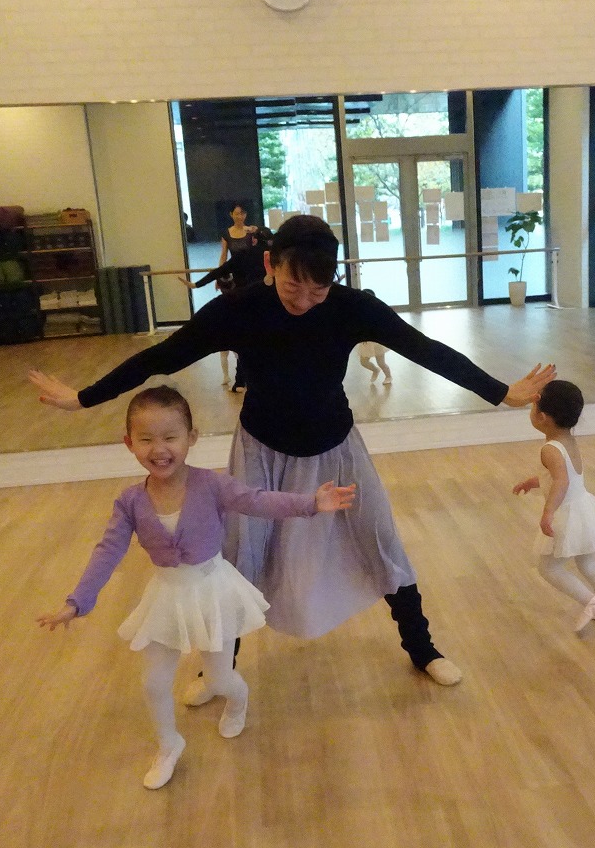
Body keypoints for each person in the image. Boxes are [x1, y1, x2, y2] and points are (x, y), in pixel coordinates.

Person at [29, 213, 555, 690]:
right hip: (261, 450)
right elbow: (161, 356)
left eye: (317, 290)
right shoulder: (239, 310)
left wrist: (501, 392)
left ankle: (423, 649)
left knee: (381, 540)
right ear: (269, 265)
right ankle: (220, 668)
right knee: (235, 557)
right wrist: (83, 397)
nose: (303, 300)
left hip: (337, 447)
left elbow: (425, 349)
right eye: (291, 286)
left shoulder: (352, 307)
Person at [36, 378, 356, 790]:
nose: (159, 448)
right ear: (129, 443)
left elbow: (257, 500)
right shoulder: (130, 501)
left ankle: (237, 701)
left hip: (211, 590)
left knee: (221, 679)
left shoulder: (211, 485)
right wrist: (77, 601)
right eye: (146, 439)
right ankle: (169, 745)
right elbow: (107, 551)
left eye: (170, 437)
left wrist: (310, 503)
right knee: (153, 682)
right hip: (166, 595)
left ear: (192, 438)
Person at [512, 380, 595, 632]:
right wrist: (533, 482)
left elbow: (561, 481)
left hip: (567, 515)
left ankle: (592, 601)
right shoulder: (568, 440)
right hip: (584, 509)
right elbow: (562, 476)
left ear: (542, 417)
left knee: (548, 568)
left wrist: (548, 512)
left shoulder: (549, 449)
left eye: (533, 407)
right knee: (589, 565)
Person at [184, 227, 275, 394]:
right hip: (269, 305)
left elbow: (219, 271)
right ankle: (264, 379)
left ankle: (240, 381)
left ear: (253, 240)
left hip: (245, 304)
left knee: (245, 343)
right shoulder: (274, 257)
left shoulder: (242, 255)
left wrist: (196, 284)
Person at [211, 201, 261, 387]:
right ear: (231, 214)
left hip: (252, 276)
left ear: (245, 215)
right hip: (236, 278)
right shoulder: (227, 234)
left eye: (242, 213)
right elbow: (223, 256)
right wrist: (218, 277)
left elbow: (259, 251)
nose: (240, 216)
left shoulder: (251, 231)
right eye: (237, 213)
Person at [356, 288, 393, 385]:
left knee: (381, 362)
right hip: (365, 341)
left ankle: (388, 376)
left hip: (377, 341)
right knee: (363, 362)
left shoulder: (377, 310)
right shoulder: (359, 311)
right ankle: (375, 370)